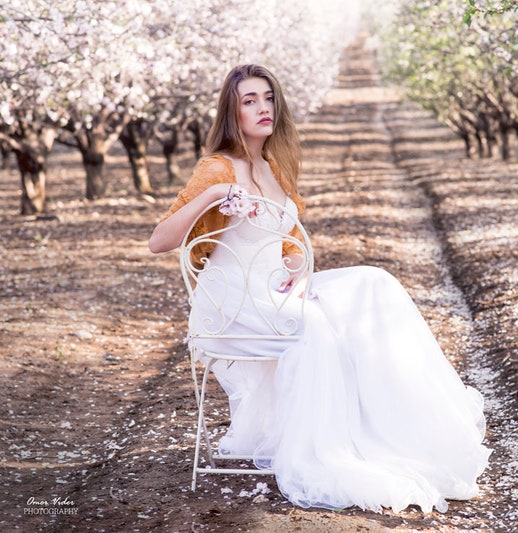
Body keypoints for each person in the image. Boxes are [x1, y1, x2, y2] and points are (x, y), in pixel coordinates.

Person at [149, 64, 490, 513]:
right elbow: (160, 241)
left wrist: (301, 273)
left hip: (275, 289)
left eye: (268, 97)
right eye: (249, 100)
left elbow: (287, 245)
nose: (263, 108)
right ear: (232, 113)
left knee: (374, 284)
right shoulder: (216, 169)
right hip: (232, 301)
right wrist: (213, 198)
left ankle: (403, 429)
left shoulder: (273, 166)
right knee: (315, 327)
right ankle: (325, 452)